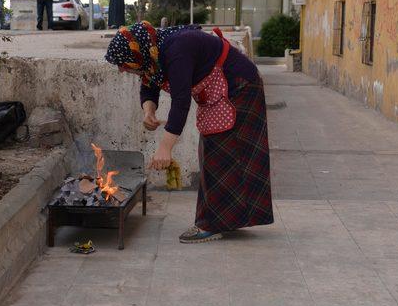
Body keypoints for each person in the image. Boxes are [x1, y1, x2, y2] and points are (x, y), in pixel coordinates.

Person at [105, 21, 274, 243]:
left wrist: (165, 148)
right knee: (219, 154)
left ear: (135, 53)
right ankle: (227, 219)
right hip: (221, 92)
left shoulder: (177, 49)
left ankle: (210, 225)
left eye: (123, 64)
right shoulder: (152, 52)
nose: (121, 69)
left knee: (220, 154)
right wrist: (149, 109)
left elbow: (181, 101)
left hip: (241, 87)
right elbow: (149, 82)